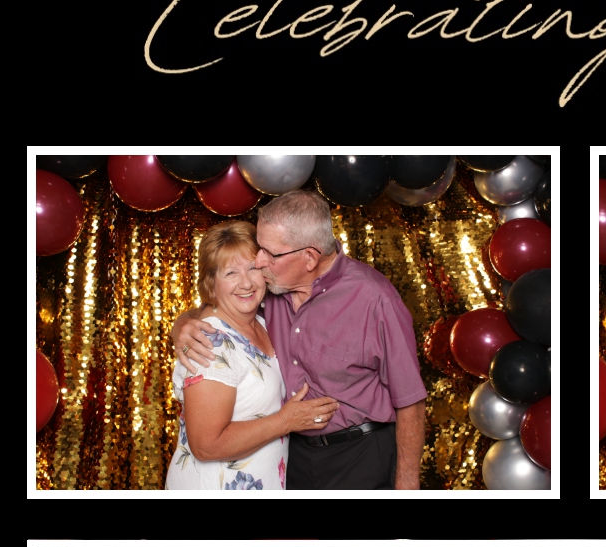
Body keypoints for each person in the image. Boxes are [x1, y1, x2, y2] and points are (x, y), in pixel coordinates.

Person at [172, 189, 428, 491]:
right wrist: (183, 324)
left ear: (309, 257)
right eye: (260, 249)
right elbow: (223, 303)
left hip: (358, 455)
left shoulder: (375, 300)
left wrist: (407, 487)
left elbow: (410, 400)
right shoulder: (272, 290)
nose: (260, 261)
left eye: (269, 254)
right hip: (294, 457)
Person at [166, 219, 338, 490]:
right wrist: (286, 421)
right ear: (211, 283)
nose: (245, 283)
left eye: (253, 268)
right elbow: (206, 445)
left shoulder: (265, 321)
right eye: (230, 273)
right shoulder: (209, 343)